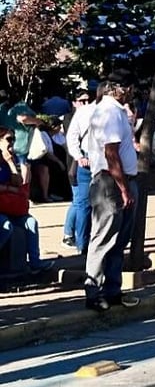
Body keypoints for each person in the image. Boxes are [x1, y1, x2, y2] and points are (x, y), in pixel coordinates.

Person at [84, 70, 140, 311]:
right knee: (104, 236)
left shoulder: (117, 111)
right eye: (130, 88)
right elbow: (111, 153)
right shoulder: (109, 112)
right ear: (119, 88)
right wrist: (124, 189)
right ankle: (93, 291)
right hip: (110, 182)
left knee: (119, 240)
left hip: (121, 180)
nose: (132, 92)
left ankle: (113, 290)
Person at [0, 127, 55, 274]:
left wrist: (10, 163)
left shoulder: (12, 158)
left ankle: (35, 262)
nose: (12, 143)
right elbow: (13, 187)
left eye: (13, 139)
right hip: (2, 209)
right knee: (5, 226)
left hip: (12, 207)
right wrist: (9, 188)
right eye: (8, 139)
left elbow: (18, 182)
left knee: (31, 223)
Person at [63, 89, 96, 253]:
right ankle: (69, 234)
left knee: (79, 203)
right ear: (74, 102)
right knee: (79, 202)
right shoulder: (71, 117)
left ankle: (72, 234)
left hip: (83, 162)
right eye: (82, 101)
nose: (86, 104)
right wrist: (79, 157)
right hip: (76, 165)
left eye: (88, 100)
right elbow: (71, 140)